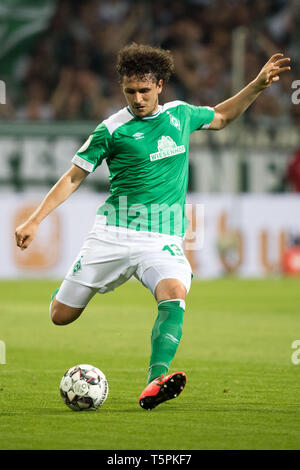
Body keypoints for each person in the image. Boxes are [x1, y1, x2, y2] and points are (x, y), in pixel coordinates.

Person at [15, 44, 290, 410]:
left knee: (174, 291)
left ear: (160, 85)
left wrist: (256, 85)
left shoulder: (181, 115)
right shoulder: (111, 129)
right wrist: (35, 219)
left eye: (144, 91)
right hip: (112, 234)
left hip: (161, 238)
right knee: (60, 316)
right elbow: (73, 177)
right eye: (130, 92)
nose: (138, 99)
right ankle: (76, 286)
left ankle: (154, 381)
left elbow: (222, 117)